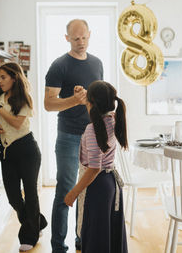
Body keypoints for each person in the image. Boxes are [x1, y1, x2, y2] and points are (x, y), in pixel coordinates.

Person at [44, 19, 103, 253]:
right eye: (76, 38)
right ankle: (58, 246)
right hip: (68, 136)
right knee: (66, 189)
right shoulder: (59, 66)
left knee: (85, 190)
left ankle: (82, 238)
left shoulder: (97, 63)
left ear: (90, 34)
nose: (81, 42)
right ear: (67, 38)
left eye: (84, 37)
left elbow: (96, 100)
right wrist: (73, 100)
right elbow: (49, 104)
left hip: (91, 135)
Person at [0, 62, 47, 252]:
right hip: (7, 152)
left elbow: (17, 124)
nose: (0, 81)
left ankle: (29, 236)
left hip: (27, 149)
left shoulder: (24, 98)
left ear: (14, 78)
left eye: (3, 77)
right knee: (13, 196)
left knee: (30, 194)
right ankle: (37, 222)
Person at [64, 80, 128, 253]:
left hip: (97, 187)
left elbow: (94, 168)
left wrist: (73, 193)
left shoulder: (93, 129)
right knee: (109, 236)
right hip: (111, 185)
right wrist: (84, 94)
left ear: (91, 103)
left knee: (95, 239)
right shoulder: (113, 119)